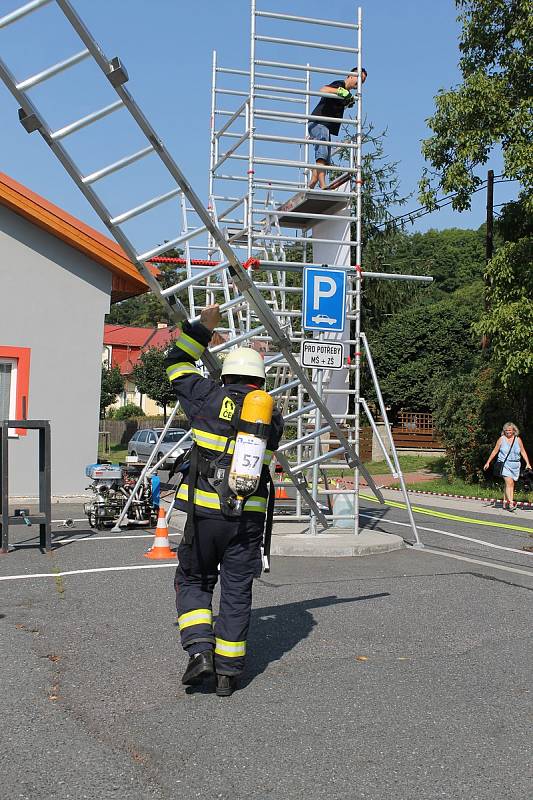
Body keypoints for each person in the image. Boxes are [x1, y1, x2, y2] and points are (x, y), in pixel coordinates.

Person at [164, 304, 284, 696]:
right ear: (261, 383)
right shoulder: (272, 418)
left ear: (226, 374)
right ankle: (228, 674)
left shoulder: (206, 396)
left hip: (203, 515)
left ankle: (200, 651)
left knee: (194, 579)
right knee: (236, 589)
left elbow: (177, 362)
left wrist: (202, 328)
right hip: (248, 520)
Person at [308, 67, 367, 190]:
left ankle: (312, 183)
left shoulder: (347, 94)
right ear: (351, 76)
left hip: (325, 125)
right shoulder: (340, 84)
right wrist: (340, 91)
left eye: (362, 82)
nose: (359, 84)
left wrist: (347, 102)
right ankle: (323, 184)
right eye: (359, 79)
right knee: (322, 152)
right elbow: (323, 89)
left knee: (325, 157)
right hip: (319, 122)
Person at [484, 422, 531, 511]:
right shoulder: (501, 439)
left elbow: (523, 451)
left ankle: (505, 502)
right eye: (506, 430)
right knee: (509, 482)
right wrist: (488, 462)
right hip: (504, 464)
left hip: (515, 465)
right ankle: (511, 503)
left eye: (509, 430)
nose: (508, 432)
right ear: (504, 431)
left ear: (514, 430)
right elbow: (495, 451)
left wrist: (528, 463)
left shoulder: (518, 440)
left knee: (509, 484)